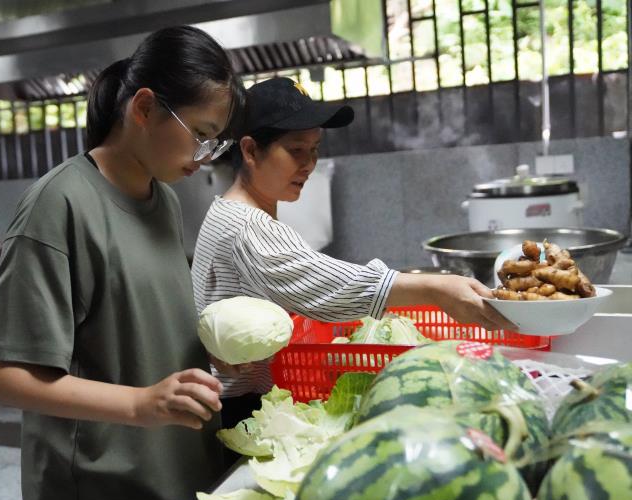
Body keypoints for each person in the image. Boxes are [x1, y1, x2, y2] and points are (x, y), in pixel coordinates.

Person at [0, 26, 245, 500]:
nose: (205, 155)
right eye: (200, 134)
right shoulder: (59, 203)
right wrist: (139, 404)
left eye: (215, 140)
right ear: (145, 108)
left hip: (174, 476)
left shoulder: (164, 200)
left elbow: (133, 323)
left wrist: (209, 347)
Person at [192, 77, 516, 433]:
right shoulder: (247, 225)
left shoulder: (229, 210)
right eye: (296, 150)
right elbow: (329, 286)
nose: (309, 164)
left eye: (315, 149)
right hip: (237, 406)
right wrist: (434, 289)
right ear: (251, 150)